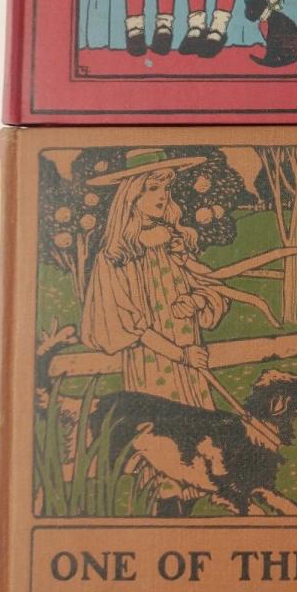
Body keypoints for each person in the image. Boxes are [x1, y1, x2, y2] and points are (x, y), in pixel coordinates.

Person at [79, 150, 228, 418]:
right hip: (153, 365)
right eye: (152, 188)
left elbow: (211, 284)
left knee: (200, 429)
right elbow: (128, 326)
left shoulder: (172, 243)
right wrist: (180, 355)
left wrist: (197, 300)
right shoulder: (115, 256)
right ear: (132, 195)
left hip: (192, 358)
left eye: (166, 188)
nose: (162, 196)